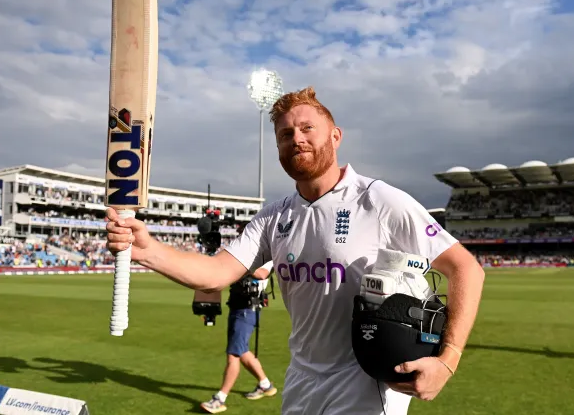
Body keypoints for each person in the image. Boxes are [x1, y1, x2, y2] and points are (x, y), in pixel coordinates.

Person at [105, 86, 486, 414]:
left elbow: (465, 269)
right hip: (302, 384)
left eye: (307, 129)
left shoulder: (378, 200)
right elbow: (215, 273)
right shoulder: (275, 216)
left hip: (365, 388)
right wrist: (148, 250)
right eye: (286, 135)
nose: (297, 139)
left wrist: (447, 362)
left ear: (335, 136)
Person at [201, 260, 278, 414]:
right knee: (242, 351)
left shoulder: (266, 254)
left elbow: (262, 274)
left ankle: (220, 399)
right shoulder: (249, 252)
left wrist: (238, 262)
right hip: (237, 307)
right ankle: (265, 385)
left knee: (233, 355)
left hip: (247, 310)